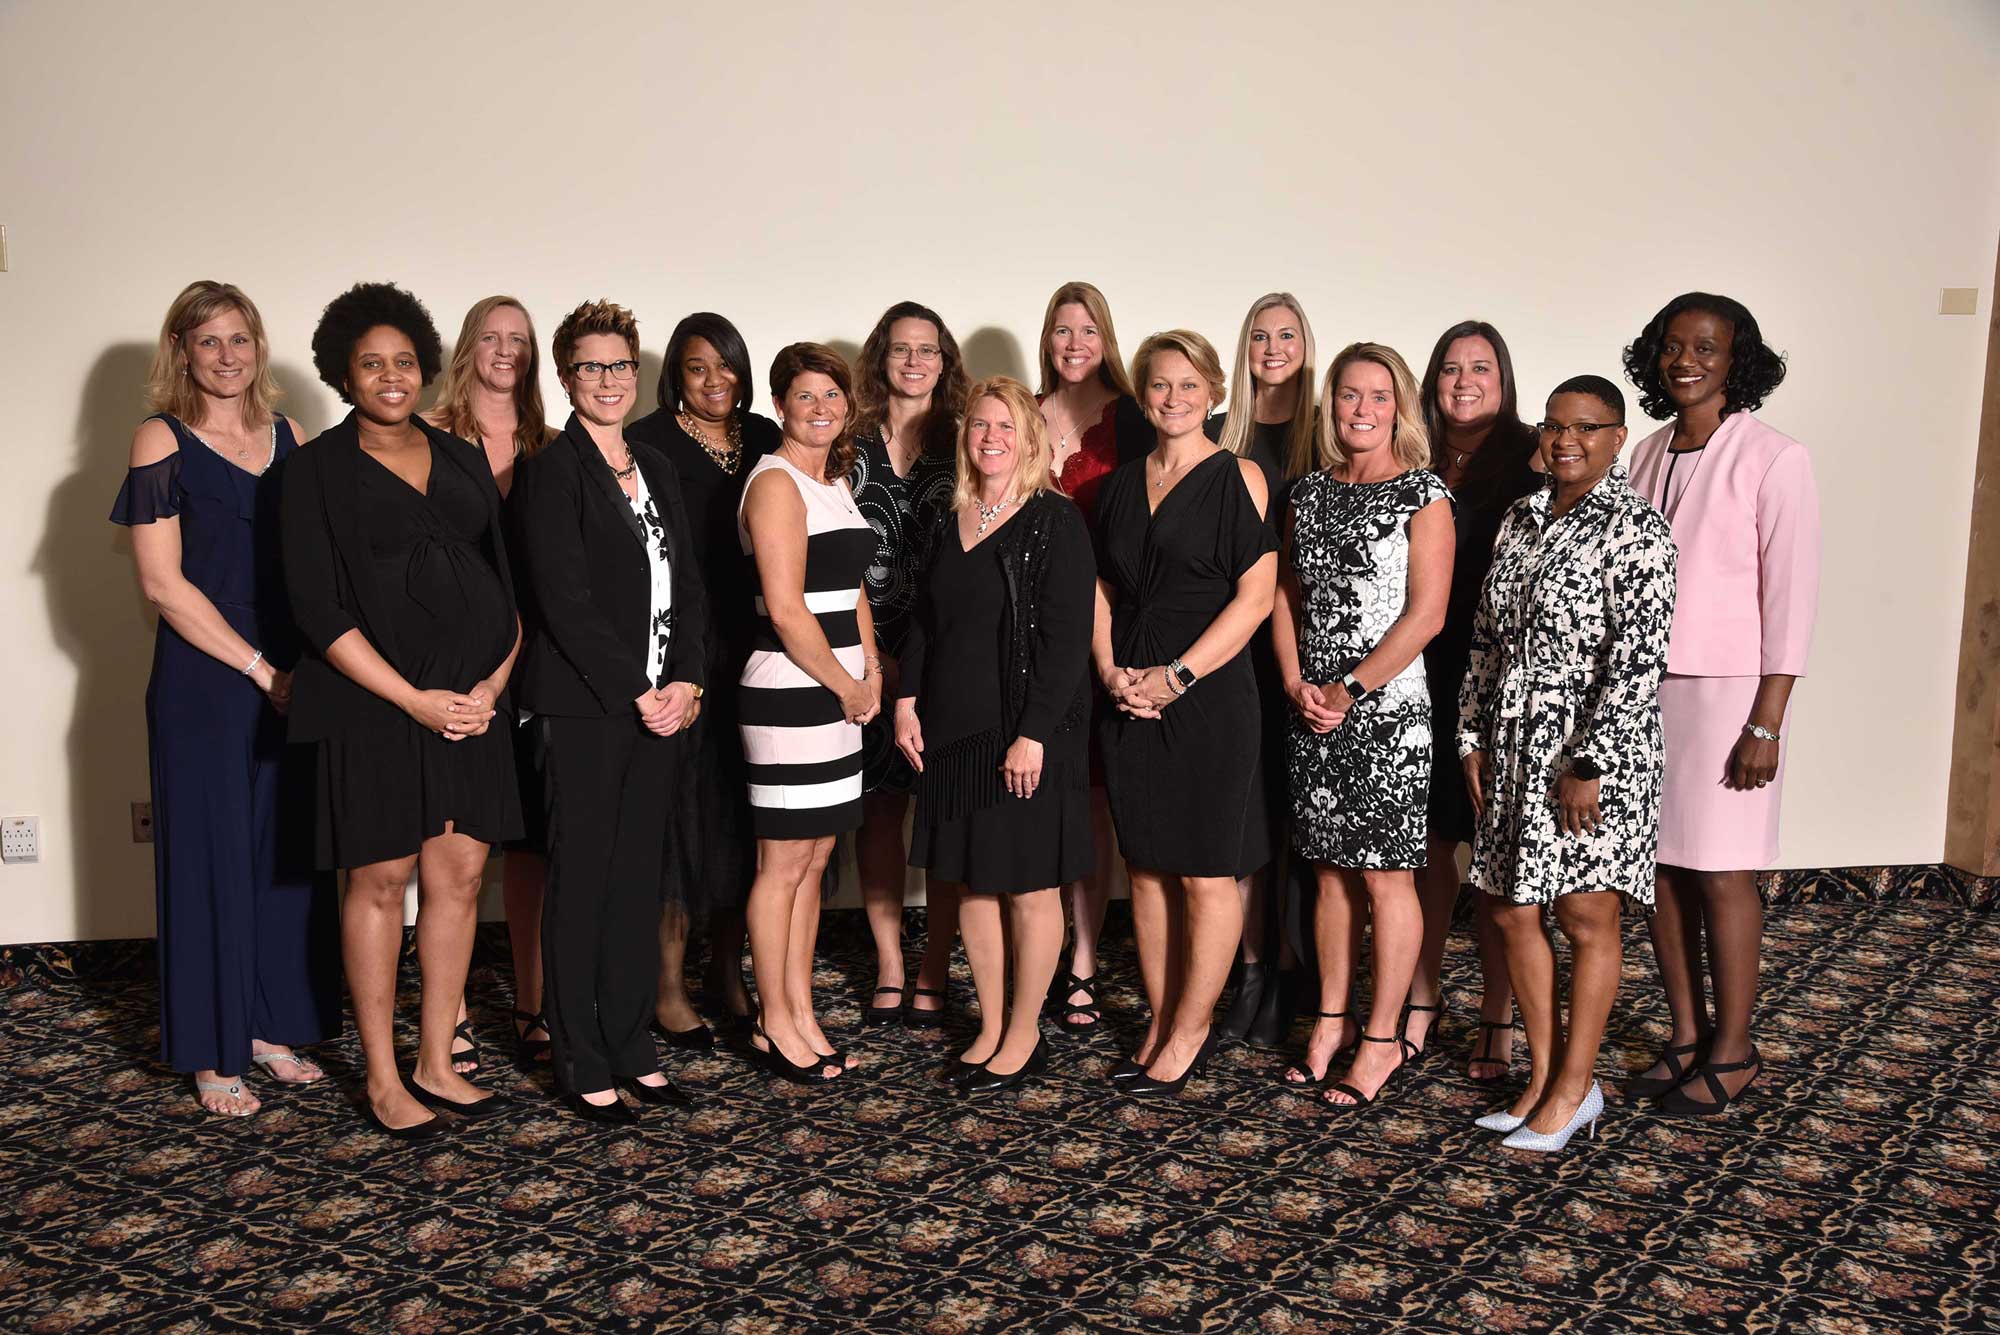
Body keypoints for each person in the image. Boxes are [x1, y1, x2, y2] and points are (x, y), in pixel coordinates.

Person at [283, 282, 522, 1138]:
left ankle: (436, 1058)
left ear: (425, 367)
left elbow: (506, 587)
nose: (391, 377)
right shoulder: (312, 470)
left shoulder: (459, 458)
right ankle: (383, 1075)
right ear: (343, 374)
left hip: (470, 705)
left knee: (458, 875)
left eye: (405, 362)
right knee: (381, 881)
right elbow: (319, 612)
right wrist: (412, 700)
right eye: (371, 363)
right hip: (375, 703)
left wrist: (491, 687)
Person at [111, 280, 339, 1118]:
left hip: (293, 670)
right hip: (206, 678)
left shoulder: (293, 435)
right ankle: (213, 1048)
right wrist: (258, 670)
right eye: (208, 341)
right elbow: (163, 585)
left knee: (284, 849)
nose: (227, 356)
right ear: (180, 351)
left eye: (239, 339)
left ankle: (270, 1025)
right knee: (210, 855)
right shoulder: (157, 441)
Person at [1459, 376, 1677, 1151]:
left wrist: (1588, 761)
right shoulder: (1520, 518)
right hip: (1514, 739)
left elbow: (1638, 661)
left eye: (1586, 427)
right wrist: (1471, 736)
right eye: (1554, 426)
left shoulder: (1638, 530)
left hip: (1593, 751)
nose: (1566, 440)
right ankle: (1546, 1079)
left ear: (1619, 438)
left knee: (1586, 913)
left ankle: (1579, 1086)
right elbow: (1488, 639)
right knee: (1513, 906)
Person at [1621, 293, 1818, 1115]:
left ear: (1739, 360)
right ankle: (1684, 1034)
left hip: (1732, 696)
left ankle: (1734, 1050)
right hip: (1647, 694)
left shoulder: (1776, 458)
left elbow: (1792, 597)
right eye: (1672, 345)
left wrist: (1767, 721)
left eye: (1706, 346)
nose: (1686, 359)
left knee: (1724, 875)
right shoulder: (1645, 451)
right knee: (1662, 873)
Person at [512, 300, 707, 1123]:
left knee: (637, 883)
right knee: (584, 882)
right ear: (565, 378)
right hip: (590, 709)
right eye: (590, 367)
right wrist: (639, 689)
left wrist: (689, 682)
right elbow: (566, 603)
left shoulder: (656, 465)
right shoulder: (550, 473)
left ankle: (633, 1045)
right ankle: (581, 1056)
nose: (608, 380)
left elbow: (690, 587)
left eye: (620, 365)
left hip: (664, 708)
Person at [894, 376, 1095, 1094]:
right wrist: (907, 698)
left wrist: (1033, 733)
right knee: (974, 885)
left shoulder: (1054, 521)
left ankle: (1025, 1031)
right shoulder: (951, 520)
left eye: (1006, 426)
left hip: (1022, 736)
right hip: (954, 735)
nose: (991, 437)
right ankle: (988, 1024)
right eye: (980, 424)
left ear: (1030, 438)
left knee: (1029, 887)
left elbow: (1068, 643)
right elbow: (924, 620)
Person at [1092, 329, 1276, 1095]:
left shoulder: (1241, 476)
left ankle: (1191, 1032)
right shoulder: (1118, 482)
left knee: (1205, 873)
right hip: (1126, 691)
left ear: (1214, 392)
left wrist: (1178, 675)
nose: (1173, 398)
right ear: (1144, 394)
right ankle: (1161, 1018)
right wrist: (1110, 672)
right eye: (1160, 385)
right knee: (1147, 871)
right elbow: (1099, 590)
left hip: (1207, 696)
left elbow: (1256, 596)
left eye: (1188, 384)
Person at [1273, 342, 1454, 1108]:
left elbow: (1427, 615)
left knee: (1386, 877)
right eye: (1349, 395)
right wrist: (1294, 680)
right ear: (1331, 403)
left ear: (1399, 407)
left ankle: (1381, 1037)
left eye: (1378, 397)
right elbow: (1285, 593)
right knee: (1329, 876)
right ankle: (1331, 1021)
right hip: (1311, 709)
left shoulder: (1425, 494)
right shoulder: (1308, 493)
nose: (1362, 410)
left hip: (1386, 715)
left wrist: (1350, 687)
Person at [629, 314, 780, 1043]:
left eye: (727, 367)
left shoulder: (764, 438)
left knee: (744, 819)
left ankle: (729, 970)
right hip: (684, 654)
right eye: (698, 368)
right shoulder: (647, 441)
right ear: (675, 377)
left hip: (760, 649)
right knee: (679, 823)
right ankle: (667, 983)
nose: (716, 381)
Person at [736, 343, 882, 1082]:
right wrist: (847, 687)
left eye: (832, 395)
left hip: (838, 694)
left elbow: (849, 587)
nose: (821, 408)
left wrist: (873, 669)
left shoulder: (834, 481)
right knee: (782, 862)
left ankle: (798, 1008)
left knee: (817, 859)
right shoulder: (775, 484)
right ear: (779, 406)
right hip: (791, 693)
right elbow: (789, 612)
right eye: (805, 397)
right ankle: (775, 1019)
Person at [1411, 321, 1544, 1082]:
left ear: (1505, 377)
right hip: (1415, 672)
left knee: (1496, 864)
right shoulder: (1411, 453)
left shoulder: (1532, 454)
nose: (1464, 380)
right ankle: (1421, 997)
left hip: (1498, 681)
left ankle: (1497, 1016)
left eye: (1481, 367)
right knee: (1425, 852)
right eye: (1451, 368)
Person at [425, 294, 553, 1073]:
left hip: (538, 666)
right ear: (468, 346)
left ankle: (533, 1001)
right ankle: (454, 1014)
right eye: (491, 337)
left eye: (519, 340)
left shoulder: (553, 445)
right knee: (454, 856)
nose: (505, 350)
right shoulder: (429, 438)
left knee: (534, 846)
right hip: (455, 671)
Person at [1033, 280, 1151, 1034]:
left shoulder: (1135, 419)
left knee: (1105, 801)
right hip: (1033, 632)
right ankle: (1040, 950)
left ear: (1106, 338)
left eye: (1087, 330)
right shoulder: (1022, 412)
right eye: (1061, 330)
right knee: (1048, 792)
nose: (1074, 343)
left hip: (1114, 627)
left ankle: (1084, 958)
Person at [846, 302, 967, 1031]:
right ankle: (891, 961)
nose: (915, 362)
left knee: (944, 815)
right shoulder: (847, 441)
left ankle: (935, 965)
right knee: (879, 812)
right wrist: (871, 659)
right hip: (861, 655)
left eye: (928, 350)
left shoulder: (966, 439)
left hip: (947, 654)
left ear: (945, 361)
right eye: (901, 349)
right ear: (880, 358)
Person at [1206, 292, 1320, 1048]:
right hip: (1236, 653)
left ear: (1307, 344)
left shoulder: (1332, 435)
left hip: (1317, 652)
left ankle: (1295, 968)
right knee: (1247, 818)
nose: (1273, 347)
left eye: (1286, 335)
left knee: (1302, 823)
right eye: (1259, 336)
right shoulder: (1218, 437)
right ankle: (1249, 970)